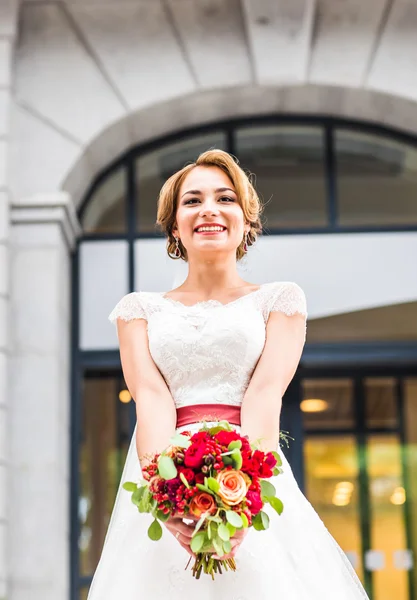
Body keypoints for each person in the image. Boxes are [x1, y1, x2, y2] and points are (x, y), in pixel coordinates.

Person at [87, 149, 370, 599]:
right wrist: (167, 499)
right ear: (174, 224)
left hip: (249, 466)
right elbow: (151, 398)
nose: (209, 210)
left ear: (245, 220)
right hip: (165, 468)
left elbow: (264, 395)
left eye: (225, 198)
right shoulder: (138, 310)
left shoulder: (280, 300)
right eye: (192, 200)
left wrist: (243, 498)